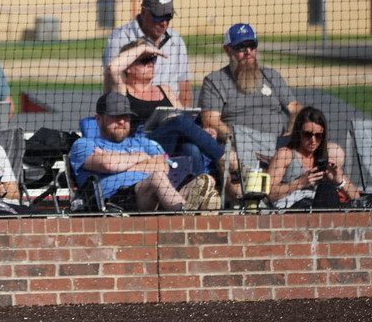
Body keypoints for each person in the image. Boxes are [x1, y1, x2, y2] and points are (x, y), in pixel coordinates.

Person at [70, 93, 220, 212]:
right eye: (115, 116)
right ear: (99, 118)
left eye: (125, 116)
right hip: (116, 198)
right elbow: (107, 164)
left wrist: (120, 163)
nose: (122, 121)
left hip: (158, 194)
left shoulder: (142, 142)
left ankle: (190, 211)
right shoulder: (84, 144)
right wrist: (141, 157)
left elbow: (162, 166)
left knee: (206, 180)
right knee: (157, 179)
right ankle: (185, 215)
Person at [198, 23, 302, 191]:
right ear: (227, 50)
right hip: (239, 148)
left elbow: (296, 110)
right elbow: (210, 120)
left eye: (252, 45)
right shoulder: (215, 81)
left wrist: (289, 138)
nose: (248, 52)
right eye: (241, 47)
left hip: (279, 147)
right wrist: (246, 143)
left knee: (334, 152)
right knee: (228, 160)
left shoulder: (271, 76)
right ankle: (243, 203)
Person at [104, 38, 224, 177]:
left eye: (152, 59)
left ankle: (197, 187)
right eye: (144, 60)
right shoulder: (121, 91)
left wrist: (201, 132)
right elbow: (112, 68)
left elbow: (186, 121)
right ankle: (224, 159)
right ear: (128, 68)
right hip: (140, 145)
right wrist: (142, 49)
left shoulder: (165, 90)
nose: (151, 64)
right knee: (177, 121)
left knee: (190, 149)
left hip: (169, 145)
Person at [102, 0, 193, 106]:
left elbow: (184, 85)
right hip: (133, 110)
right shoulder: (119, 39)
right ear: (144, 11)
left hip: (171, 112)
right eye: (158, 17)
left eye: (168, 17)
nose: (164, 23)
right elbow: (111, 82)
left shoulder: (176, 39)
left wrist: (184, 115)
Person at [267, 106, 361, 209]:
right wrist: (299, 183)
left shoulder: (324, 160)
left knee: (328, 187)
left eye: (318, 135)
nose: (313, 140)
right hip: (291, 208)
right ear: (298, 133)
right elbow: (268, 195)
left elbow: (356, 197)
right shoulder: (285, 155)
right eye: (308, 134)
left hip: (316, 206)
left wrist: (339, 181)